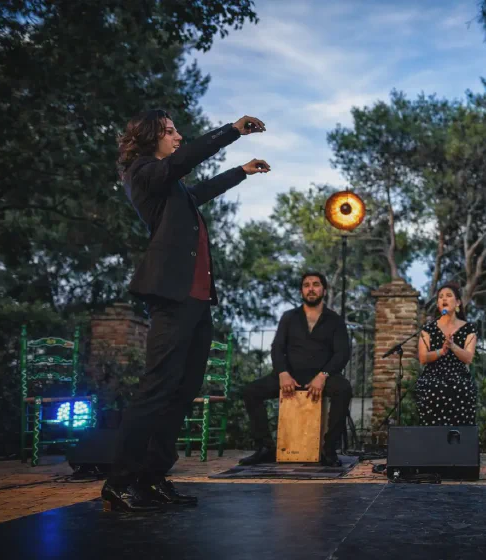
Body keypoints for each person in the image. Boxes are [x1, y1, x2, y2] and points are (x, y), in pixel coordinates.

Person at [103, 110, 270, 513]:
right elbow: (184, 162)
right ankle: (120, 483)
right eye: (170, 131)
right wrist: (231, 131)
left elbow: (198, 192)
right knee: (157, 388)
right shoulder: (143, 173)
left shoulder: (172, 187)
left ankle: (153, 477)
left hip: (196, 299)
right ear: (149, 139)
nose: (178, 136)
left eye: (177, 130)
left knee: (182, 391)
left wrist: (241, 172)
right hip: (172, 296)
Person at [239, 272, 353, 467]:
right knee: (251, 391)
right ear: (301, 290)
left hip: (320, 376)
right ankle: (265, 447)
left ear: (323, 290)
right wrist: (283, 373)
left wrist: (323, 375)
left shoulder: (335, 320)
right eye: (306, 285)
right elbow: (277, 348)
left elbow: (342, 353)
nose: (311, 288)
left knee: (344, 390)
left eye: (316, 284)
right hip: (289, 375)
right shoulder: (289, 317)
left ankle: (329, 449)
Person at [416, 283, 478, 426]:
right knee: (431, 388)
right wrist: (441, 351)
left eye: (449, 296)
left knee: (462, 388)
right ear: (438, 304)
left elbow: (468, 358)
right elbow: (423, 358)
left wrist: (452, 346)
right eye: (440, 297)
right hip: (432, 377)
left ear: (457, 302)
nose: (444, 299)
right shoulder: (428, 329)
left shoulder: (469, 328)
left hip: (459, 377)